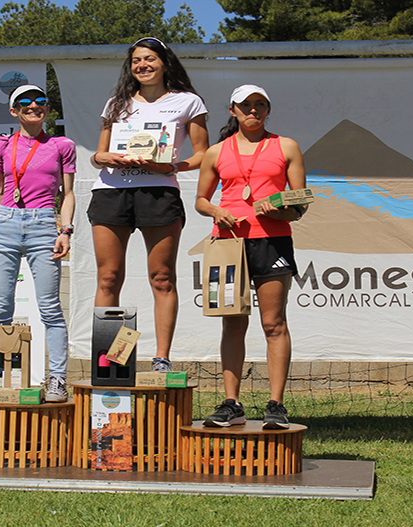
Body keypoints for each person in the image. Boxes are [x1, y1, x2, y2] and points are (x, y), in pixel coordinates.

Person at [88, 37, 209, 372]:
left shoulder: (188, 102)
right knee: (108, 277)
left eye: (150, 59)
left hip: (158, 193)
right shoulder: (116, 103)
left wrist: (169, 166)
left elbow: (202, 155)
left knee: (162, 277)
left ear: (165, 63)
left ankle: (161, 359)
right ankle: (108, 361)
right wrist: (105, 157)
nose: (143, 65)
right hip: (112, 191)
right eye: (137, 60)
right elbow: (98, 155)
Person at [194, 85, 308, 429]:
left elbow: (300, 202)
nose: (253, 111)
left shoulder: (285, 146)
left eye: (260, 105)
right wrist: (217, 211)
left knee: (274, 324)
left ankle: (276, 405)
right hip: (228, 243)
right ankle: (232, 402)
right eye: (246, 105)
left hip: (272, 241)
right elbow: (201, 200)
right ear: (233, 110)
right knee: (233, 323)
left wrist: (280, 209)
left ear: (268, 110)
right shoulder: (216, 152)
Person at [0, 84, 75, 403]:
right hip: (6, 223)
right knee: (0, 309)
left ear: (47, 109)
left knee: (50, 308)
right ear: (14, 111)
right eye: (25, 103)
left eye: (40, 101)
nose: (34, 106)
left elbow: (67, 194)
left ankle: (56, 380)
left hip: (43, 224)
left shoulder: (61, 145)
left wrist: (65, 230)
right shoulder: (0, 146)